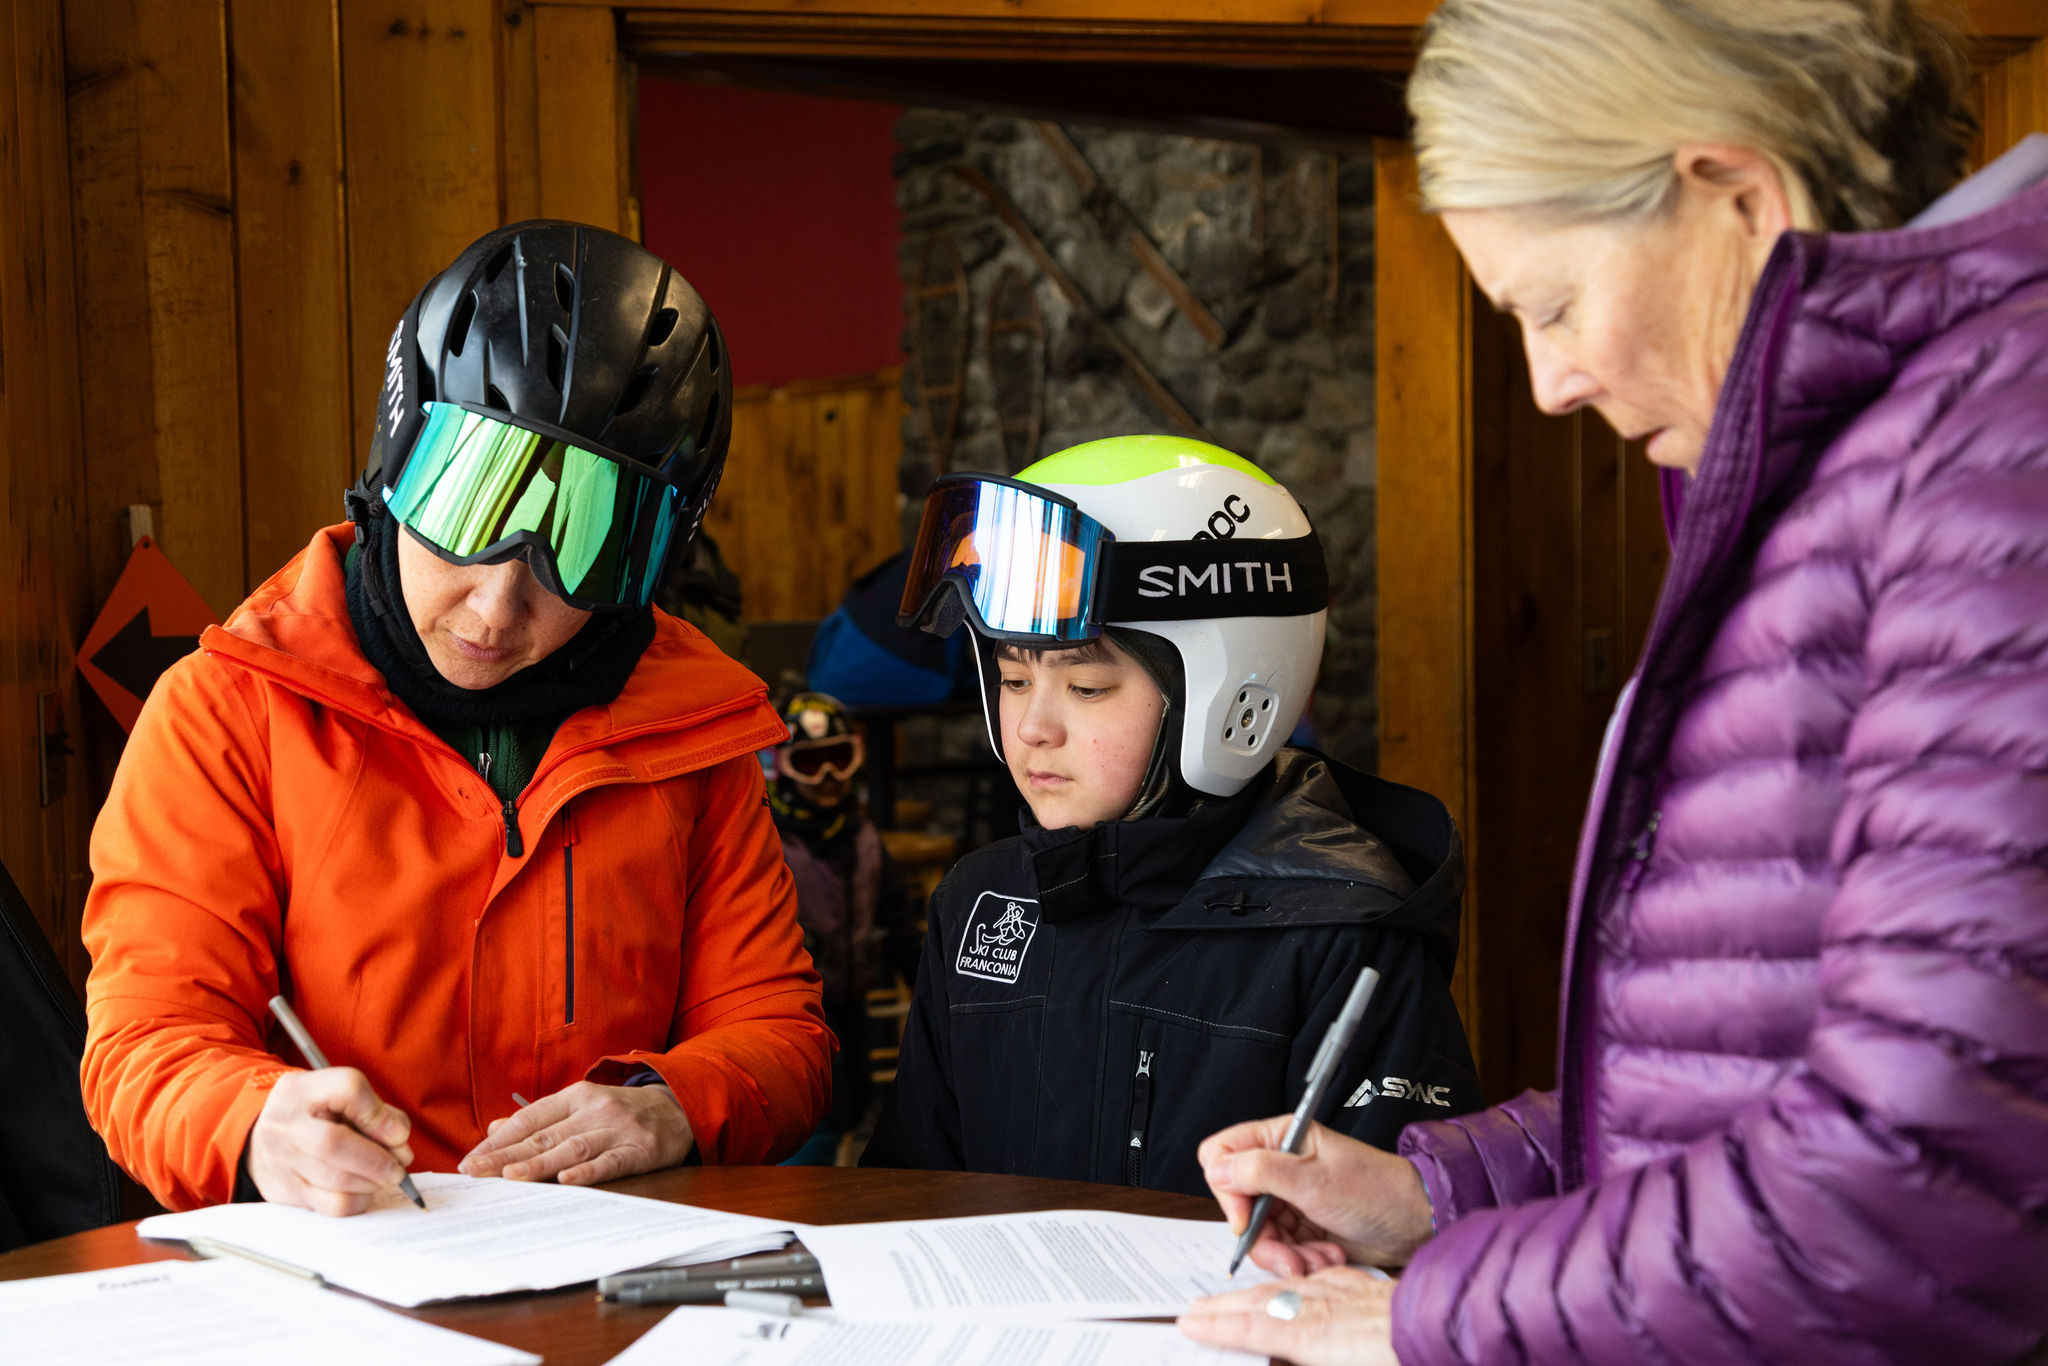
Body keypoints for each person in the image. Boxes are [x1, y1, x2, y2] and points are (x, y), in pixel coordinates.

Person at [1177, 4, 2048, 1363]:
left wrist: (1434, 1318)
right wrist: (1439, 1196)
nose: (1550, 383)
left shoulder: (1996, 457)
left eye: (1554, 304)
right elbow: (1741, 1074)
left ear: (1738, 197)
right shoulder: (1875, 456)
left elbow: (1920, 1171)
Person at [80, 221, 832, 1215]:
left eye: (580, 549)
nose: (496, 607)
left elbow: (779, 1031)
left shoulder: (695, 728)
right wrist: (257, 1125)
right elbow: (144, 1044)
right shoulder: (226, 713)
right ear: (395, 468)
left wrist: (677, 1106)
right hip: (352, 1255)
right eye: (466, 514)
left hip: (613, 1255)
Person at [861, 436, 1480, 1197]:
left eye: (1087, 688)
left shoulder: (1341, 934)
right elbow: (908, 1187)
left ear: (1235, 698)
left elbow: (1390, 1228)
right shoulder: (980, 901)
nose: (1031, 728)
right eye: (1013, 679)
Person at [766, 691, 922, 1165]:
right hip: (796, 1010)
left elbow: (898, 924)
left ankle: (839, 1168)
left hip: (855, 997)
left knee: (857, 1096)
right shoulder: (771, 843)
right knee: (815, 1105)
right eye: (810, 764)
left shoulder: (865, 839)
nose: (829, 777)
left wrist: (930, 989)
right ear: (784, 770)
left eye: (839, 759)